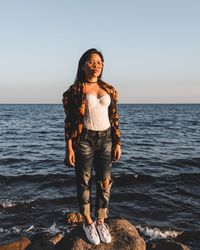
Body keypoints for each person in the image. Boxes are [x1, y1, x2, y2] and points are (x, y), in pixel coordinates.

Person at [62, 48, 121, 245]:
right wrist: (68, 147)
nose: (96, 65)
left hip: (106, 139)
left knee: (105, 181)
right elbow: (70, 121)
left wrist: (117, 142)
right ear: (83, 65)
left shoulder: (109, 88)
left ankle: (101, 220)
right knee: (84, 181)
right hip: (84, 139)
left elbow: (114, 118)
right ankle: (88, 221)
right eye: (91, 62)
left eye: (99, 62)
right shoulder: (75, 90)